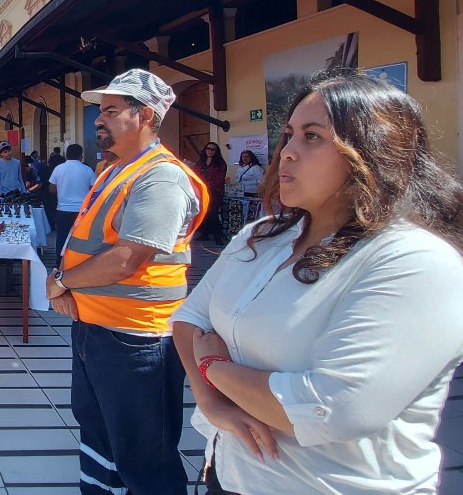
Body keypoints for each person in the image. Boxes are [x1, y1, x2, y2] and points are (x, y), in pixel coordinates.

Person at [171, 72, 463, 494]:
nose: (286, 152)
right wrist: (213, 404)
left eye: (312, 136)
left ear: (375, 151)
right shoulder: (262, 237)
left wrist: (214, 367)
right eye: (289, 135)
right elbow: (189, 320)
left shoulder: (412, 261)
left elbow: (332, 409)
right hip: (231, 474)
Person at [45, 69, 209, 495]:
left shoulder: (161, 177)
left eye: (111, 111)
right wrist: (70, 288)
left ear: (146, 115)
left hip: (136, 339)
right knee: (99, 432)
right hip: (98, 329)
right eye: (101, 111)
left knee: (144, 457)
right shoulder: (115, 171)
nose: (99, 120)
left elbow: (127, 258)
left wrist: (62, 280)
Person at [48, 143, 95, 259]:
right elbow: (94, 189)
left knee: (62, 238)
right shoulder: (87, 170)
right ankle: (78, 261)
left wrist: (63, 190)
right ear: (80, 156)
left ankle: (60, 262)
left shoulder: (58, 169)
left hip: (63, 209)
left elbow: (51, 188)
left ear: (66, 155)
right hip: (82, 211)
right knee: (81, 239)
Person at [192, 142, 228, 244]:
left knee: (213, 213)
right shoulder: (201, 162)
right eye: (208, 148)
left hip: (215, 191)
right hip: (202, 190)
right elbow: (195, 173)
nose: (210, 151)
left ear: (216, 152)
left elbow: (220, 178)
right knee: (204, 213)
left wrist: (206, 185)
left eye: (213, 149)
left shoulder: (220, 163)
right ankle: (204, 234)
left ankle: (218, 236)